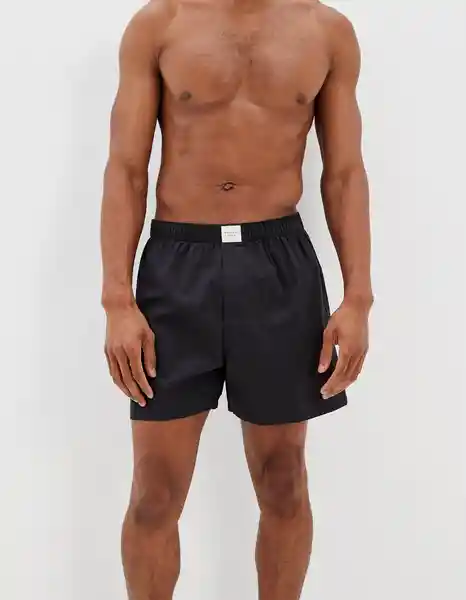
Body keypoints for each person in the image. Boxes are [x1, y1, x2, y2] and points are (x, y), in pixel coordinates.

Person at [100, 0, 372, 598]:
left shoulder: (325, 30)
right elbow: (126, 167)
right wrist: (117, 300)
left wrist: (358, 299)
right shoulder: (160, 24)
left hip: (278, 266)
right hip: (177, 269)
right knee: (154, 491)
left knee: (284, 481)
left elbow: (345, 172)